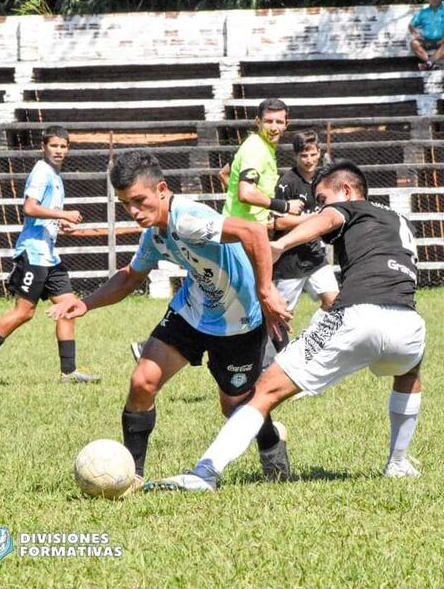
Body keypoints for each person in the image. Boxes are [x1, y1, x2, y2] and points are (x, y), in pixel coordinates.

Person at [153, 160, 427, 492]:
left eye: (324, 197)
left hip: (358, 315)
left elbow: (328, 217)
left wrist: (280, 244)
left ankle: (204, 473)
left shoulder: (350, 207)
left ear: (347, 190)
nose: (322, 207)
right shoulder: (398, 220)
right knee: (409, 375)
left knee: (263, 393)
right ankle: (398, 462)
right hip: (409, 326)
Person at [47, 150, 293, 494]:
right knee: (142, 381)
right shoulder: (156, 234)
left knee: (235, 406)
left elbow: (253, 231)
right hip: (192, 312)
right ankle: (132, 477)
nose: (133, 212)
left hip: (238, 322)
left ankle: (271, 445)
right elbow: (130, 278)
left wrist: (266, 291)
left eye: (139, 201)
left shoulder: (187, 218)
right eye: (125, 204)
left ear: (161, 189)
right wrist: (85, 304)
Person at [130, 98, 304, 363]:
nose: (274, 126)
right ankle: (278, 367)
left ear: (287, 124)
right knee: (260, 299)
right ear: (257, 122)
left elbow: (226, 174)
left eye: (279, 121)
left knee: (241, 297)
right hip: (241, 238)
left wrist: (246, 207)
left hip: (243, 232)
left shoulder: (257, 147)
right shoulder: (257, 150)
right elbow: (246, 192)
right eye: (268, 121)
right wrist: (283, 205)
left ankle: (275, 364)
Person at [0, 126, 100, 387]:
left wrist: (61, 226)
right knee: (24, 312)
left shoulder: (55, 175)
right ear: (44, 146)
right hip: (34, 254)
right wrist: (63, 215)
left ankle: (68, 373)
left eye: (64, 146)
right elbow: (29, 207)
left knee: (68, 308)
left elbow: (43, 213)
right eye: (54, 146)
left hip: (49, 256)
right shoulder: (41, 171)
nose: (59, 150)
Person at [266, 130, 339, 361]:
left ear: (320, 153)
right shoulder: (287, 183)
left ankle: (307, 344)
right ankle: (275, 362)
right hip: (289, 260)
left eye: (313, 154)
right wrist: (311, 219)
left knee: (334, 303)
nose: (309, 160)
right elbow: (277, 221)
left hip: (315, 256)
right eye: (304, 155)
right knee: (280, 316)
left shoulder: (321, 181)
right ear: (296, 156)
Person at [409, 0, 444, 71]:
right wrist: (415, 34)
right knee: (413, 43)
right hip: (426, 40)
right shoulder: (422, 12)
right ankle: (431, 63)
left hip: (441, 40)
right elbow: (411, 25)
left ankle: (428, 64)